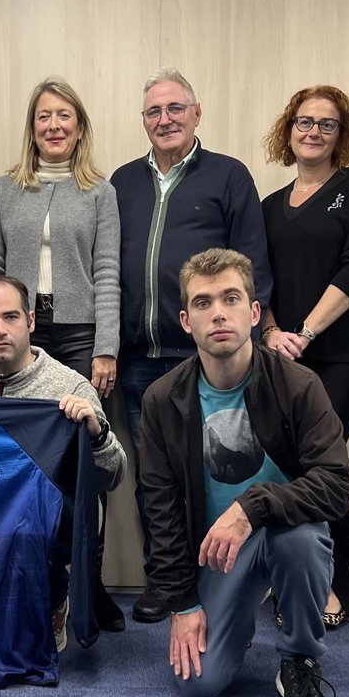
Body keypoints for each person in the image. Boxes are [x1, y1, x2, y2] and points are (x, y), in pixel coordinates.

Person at [139, 248, 349, 697]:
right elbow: (161, 510)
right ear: (185, 321)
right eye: (203, 302)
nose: (218, 313)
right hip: (217, 556)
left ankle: (299, 659)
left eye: (231, 298)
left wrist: (252, 507)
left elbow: (337, 483)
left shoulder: (298, 385)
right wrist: (184, 604)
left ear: (254, 313)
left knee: (299, 539)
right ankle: (237, 615)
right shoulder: (162, 401)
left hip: (286, 537)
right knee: (200, 685)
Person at [111, 67, 272, 624]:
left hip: (207, 360)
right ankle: (167, 580)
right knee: (154, 478)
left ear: (196, 113)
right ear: (143, 121)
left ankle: (224, 579)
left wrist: (249, 344)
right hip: (139, 359)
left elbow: (251, 266)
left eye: (175, 108)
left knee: (216, 470)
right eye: (154, 111)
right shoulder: (122, 182)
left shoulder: (228, 175)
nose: (165, 119)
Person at [0, 78, 123, 630]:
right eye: (44, 116)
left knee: (82, 455)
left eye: (64, 116)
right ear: (32, 127)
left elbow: (107, 272)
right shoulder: (4, 188)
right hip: (17, 328)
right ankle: (26, 575)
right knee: (17, 454)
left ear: (79, 127)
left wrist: (106, 348)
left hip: (81, 334)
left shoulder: (99, 192)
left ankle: (90, 583)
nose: (54, 125)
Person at [0, 275, 127, 647]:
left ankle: (54, 593)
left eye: (10, 317)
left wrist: (97, 434)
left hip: (46, 516)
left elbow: (114, 475)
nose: (0, 330)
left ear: (30, 321)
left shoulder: (70, 387)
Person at [259, 85, 349, 627]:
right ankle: (342, 538)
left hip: (341, 354)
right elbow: (257, 280)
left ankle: (336, 591)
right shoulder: (268, 206)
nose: (313, 131)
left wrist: (305, 332)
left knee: (316, 460)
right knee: (291, 462)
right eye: (304, 122)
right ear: (289, 130)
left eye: (326, 124)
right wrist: (271, 332)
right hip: (281, 356)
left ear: (343, 133)